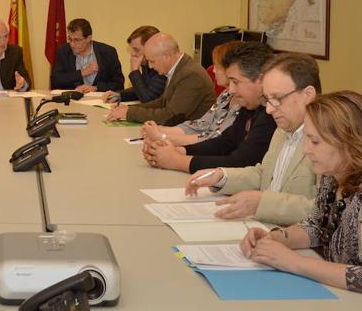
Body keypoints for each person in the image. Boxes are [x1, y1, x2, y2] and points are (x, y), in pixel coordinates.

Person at [240, 91, 362, 293]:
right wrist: (275, 238)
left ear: (350, 143)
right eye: (306, 139)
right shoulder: (331, 176)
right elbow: (316, 227)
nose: (306, 149)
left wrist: (293, 262)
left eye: (315, 142)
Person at [186, 53, 320, 225]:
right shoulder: (283, 128)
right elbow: (264, 174)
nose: (270, 110)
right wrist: (222, 176)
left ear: (308, 95)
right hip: (264, 227)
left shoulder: (328, 141)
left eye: (277, 99)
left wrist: (262, 203)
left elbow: (322, 210)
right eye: (267, 99)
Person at [143, 42, 276, 173]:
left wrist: (177, 161)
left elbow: (240, 163)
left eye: (235, 82)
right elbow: (225, 142)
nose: (231, 90)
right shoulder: (251, 107)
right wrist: (179, 151)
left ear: (261, 80)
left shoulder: (270, 116)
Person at [142, 41, 242, 146]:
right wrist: (161, 130)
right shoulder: (226, 95)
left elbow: (214, 139)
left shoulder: (242, 103)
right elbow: (201, 125)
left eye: (217, 67)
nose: (213, 71)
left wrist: (162, 137)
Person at [107, 33, 214, 125]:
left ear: (166, 57)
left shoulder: (191, 75)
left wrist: (129, 113)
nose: (150, 66)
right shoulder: (179, 68)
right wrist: (130, 109)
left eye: (152, 61)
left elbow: (171, 116)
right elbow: (162, 102)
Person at [50, 18, 124, 93]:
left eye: (77, 40)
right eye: (70, 39)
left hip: (100, 100)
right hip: (72, 100)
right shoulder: (64, 51)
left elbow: (119, 84)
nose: (72, 44)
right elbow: (56, 80)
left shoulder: (107, 52)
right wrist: (83, 72)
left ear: (88, 38)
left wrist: (96, 88)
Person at [101, 26, 167, 104]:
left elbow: (147, 99)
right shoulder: (146, 64)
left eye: (136, 50)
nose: (132, 54)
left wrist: (135, 71)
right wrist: (119, 94)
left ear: (150, 48)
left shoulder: (162, 67)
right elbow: (142, 89)